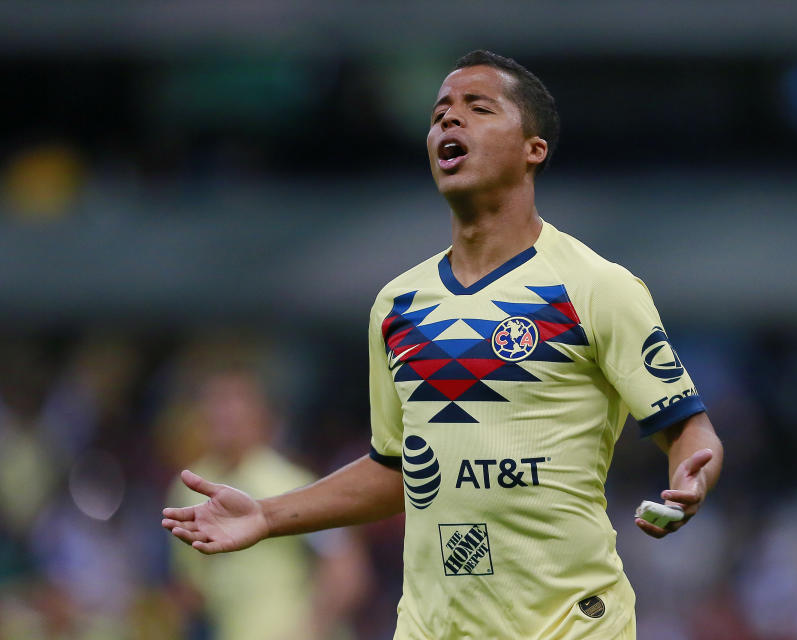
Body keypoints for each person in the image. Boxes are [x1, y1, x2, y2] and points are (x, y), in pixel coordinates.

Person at [162, 50, 723, 639]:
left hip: (567, 626)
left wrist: (692, 475)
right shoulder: (398, 306)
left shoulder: (596, 287)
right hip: (432, 628)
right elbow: (396, 470)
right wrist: (268, 514)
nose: (449, 122)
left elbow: (688, 427)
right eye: (439, 114)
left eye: (478, 108)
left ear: (534, 148)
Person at [166, 367, 371, 640]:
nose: (224, 416)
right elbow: (194, 588)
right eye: (216, 404)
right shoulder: (189, 487)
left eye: (234, 404)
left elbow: (346, 571)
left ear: (260, 416)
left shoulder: (291, 482)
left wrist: (310, 629)